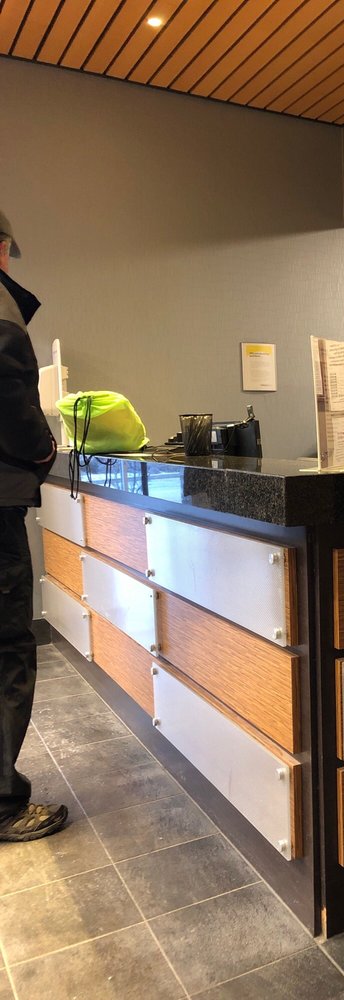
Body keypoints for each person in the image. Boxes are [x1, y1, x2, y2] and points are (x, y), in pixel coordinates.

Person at [0, 209, 68, 841]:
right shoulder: (1, 310)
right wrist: (44, 451)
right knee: (6, 646)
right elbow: (14, 405)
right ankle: (2, 803)